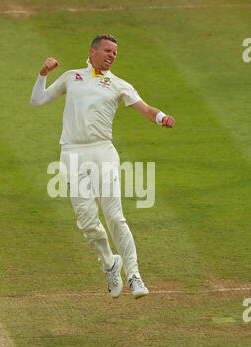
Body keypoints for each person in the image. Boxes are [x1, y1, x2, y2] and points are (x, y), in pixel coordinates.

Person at [30, 34, 175, 299]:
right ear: (93, 52)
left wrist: (162, 117)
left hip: (102, 152)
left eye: (115, 53)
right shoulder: (72, 77)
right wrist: (42, 74)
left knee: (114, 216)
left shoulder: (118, 85)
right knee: (86, 220)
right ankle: (110, 263)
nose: (112, 55)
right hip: (72, 154)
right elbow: (37, 100)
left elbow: (145, 108)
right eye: (108, 51)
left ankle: (134, 275)